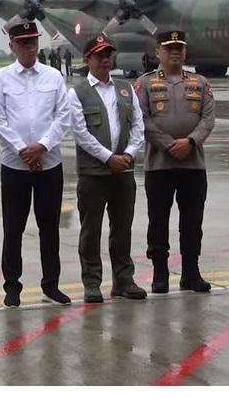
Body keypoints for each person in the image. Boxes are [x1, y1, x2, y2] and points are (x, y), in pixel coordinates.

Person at [0, 22, 72, 308]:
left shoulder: (54, 76)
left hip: (49, 163)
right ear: (12, 46)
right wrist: (23, 150)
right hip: (15, 165)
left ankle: (51, 284)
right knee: (14, 228)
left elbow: (64, 116)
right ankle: (12, 286)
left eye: (33, 41)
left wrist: (42, 147)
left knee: (50, 227)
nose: (29, 47)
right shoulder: (1, 78)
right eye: (23, 42)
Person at [67, 35, 147, 303]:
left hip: (123, 171)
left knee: (122, 227)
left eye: (108, 54)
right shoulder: (77, 93)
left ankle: (124, 280)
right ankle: (92, 282)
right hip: (94, 173)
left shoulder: (126, 89)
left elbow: (138, 125)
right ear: (86, 59)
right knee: (91, 228)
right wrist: (107, 157)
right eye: (99, 55)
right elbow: (80, 132)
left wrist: (129, 154)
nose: (105, 59)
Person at [134, 30, 215, 294]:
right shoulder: (145, 84)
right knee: (158, 222)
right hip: (159, 165)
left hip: (193, 165)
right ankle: (160, 273)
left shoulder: (200, 82)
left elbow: (208, 119)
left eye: (179, 47)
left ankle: (191, 272)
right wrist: (168, 143)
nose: (175, 52)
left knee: (193, 222)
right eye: (169, 48)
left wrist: (190, 142)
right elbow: (141, 120)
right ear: (158, 52)